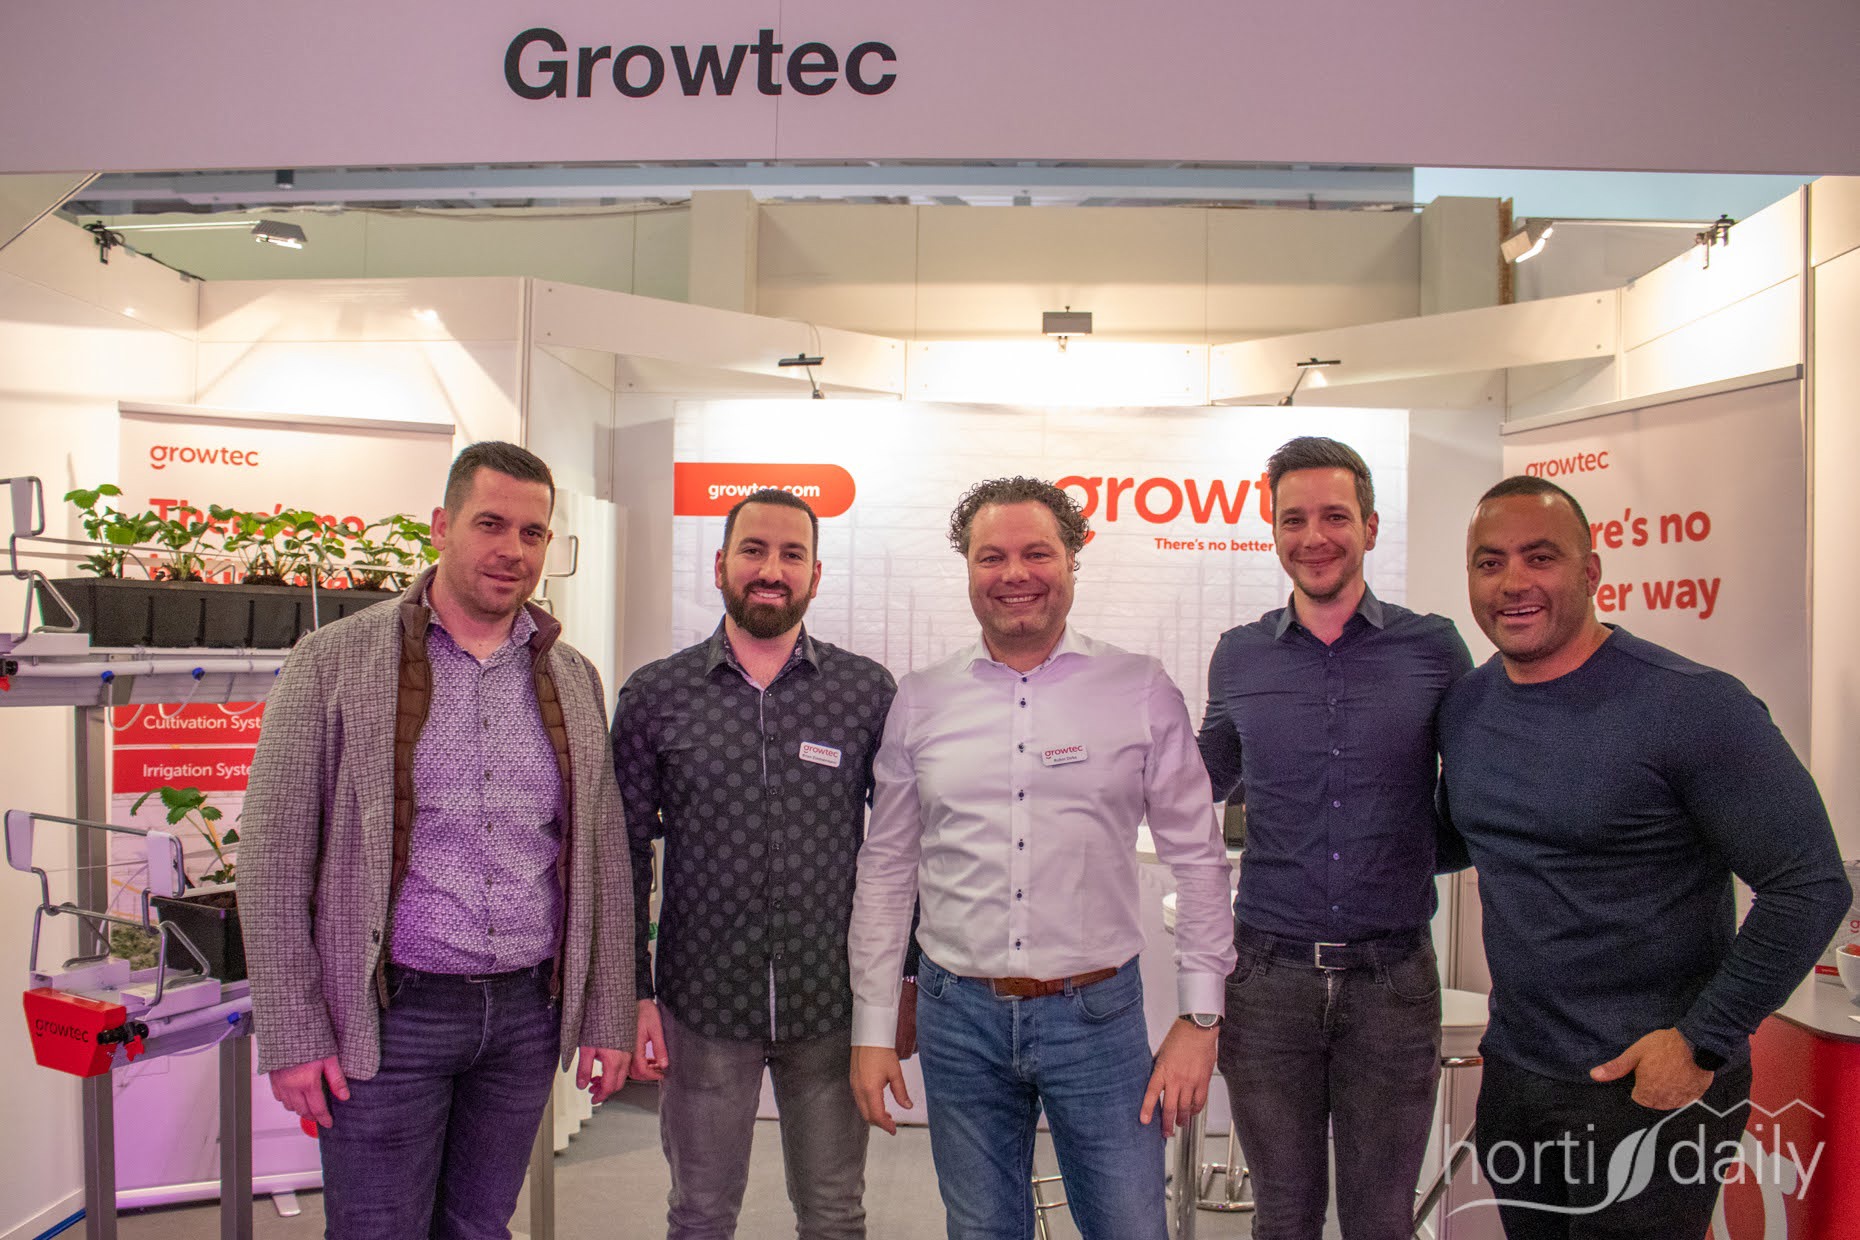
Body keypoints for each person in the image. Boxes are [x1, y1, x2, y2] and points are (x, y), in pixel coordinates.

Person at [1437, 474, 1851, 1239]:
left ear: (1591, 571)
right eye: (1489, 562)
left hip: (1651, 1090)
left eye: (1540, 557)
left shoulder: (1692, 705)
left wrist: (1702, 1041)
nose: (1513, 582)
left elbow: (1810, 885)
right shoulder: (1468, 706)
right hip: (1519, 1078)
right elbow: (1457, 837)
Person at [240, 441, 635, 1238]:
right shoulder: (333, 662)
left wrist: (608, 1011)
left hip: (525, 1016)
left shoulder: (573, 677)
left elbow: (602, 860)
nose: (512, 550)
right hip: (391, 1015)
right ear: (441, 526)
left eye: (532, 533)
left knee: (479, 1227)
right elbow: (272, 859)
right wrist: (292, 1031)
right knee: (376, 1230)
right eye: (491, 524)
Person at [847, 476, 1236, 1240]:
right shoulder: (922, 699)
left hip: (1097, 1018)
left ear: (1072, 559)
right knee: (982, 1230)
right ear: (967, 568)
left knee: (1130, 1229)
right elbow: (887, 868)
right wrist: (872, 1022)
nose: (1014, 574)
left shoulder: (1138, 688)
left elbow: (1198, 857)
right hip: (958, 1019)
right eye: (991, 556)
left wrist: (1200, 1016)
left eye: (1037, 553)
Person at [1196, 435, 1472, 1239]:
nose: (1313, 537)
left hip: (1392, 981)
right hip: (1266, 981)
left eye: (1335, 516)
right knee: (1283, 1219)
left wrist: (1409, 854)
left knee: (1380, 1221)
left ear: (1371, 527)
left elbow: (1478, 797)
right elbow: (1201, 780)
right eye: (1294, 519)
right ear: (1273, 531)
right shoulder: (1240, 655)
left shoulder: (1433, 648)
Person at [611, 488, 899, 1239]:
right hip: (703, 1005)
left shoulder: (865, 693)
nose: (771, 570)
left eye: (791, 554)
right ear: (720, 566)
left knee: (834, 1216)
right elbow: (624, 855)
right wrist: (633, 993)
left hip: (829, 1003)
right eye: (754, 550)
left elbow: (902, 848)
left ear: (816, 575)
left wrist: (901, 984)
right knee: (701, 1216)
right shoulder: (656, 695)